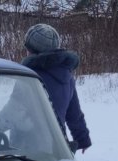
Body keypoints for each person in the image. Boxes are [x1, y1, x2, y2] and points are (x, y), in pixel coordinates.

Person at [21, 23, 91, 153]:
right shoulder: (66, 75)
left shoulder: (28, 78)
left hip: (26, 150)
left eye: (28, 48)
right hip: (57, 148)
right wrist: (83, 139)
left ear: (32, 50)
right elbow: (74, 113)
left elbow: (11, 113)